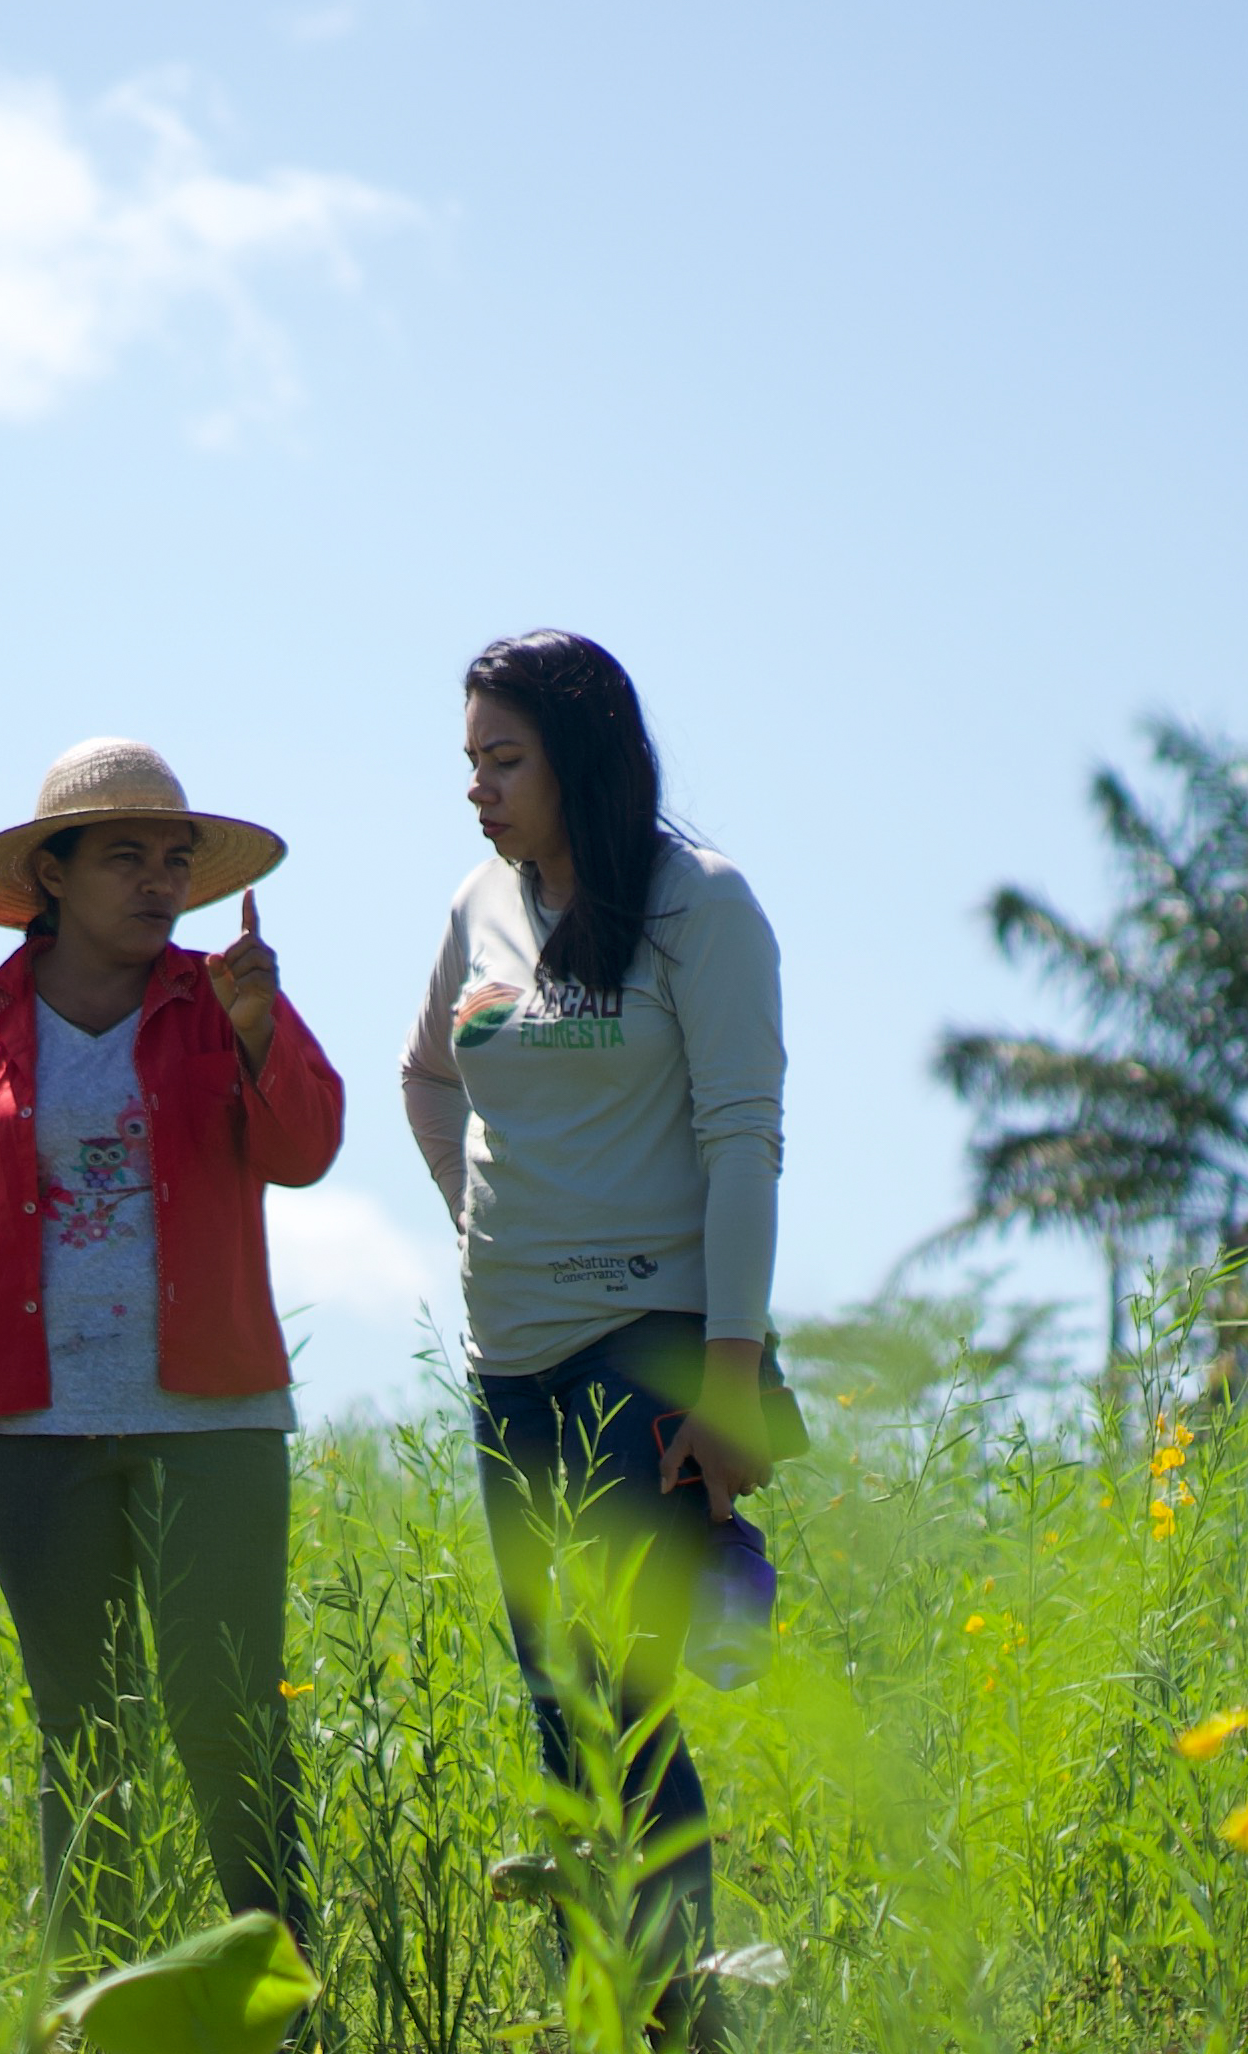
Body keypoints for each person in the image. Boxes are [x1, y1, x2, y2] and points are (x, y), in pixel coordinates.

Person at [0, 738, 343, 1964]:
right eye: (126, 855)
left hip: (213, 1422)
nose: (160, 880)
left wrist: (258, 1026)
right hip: (27, 1431)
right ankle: (88, 2002)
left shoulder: (216, 997)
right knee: (84, 1728)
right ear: (52, 875)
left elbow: (308, 1148)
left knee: (230, 1719)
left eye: (177, 858)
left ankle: (281, 2001)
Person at [398, 631, 784, 2045]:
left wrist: (731, 1380)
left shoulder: (701, 908)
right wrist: (469, 1217)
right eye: (471, 765)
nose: (480, 792)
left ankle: (673, 2015)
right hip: (512, 1360)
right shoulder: (477, 906)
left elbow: (746, 1141)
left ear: (584, 757)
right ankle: (605, 2008)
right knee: (557, 1701)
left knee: (622, 1696)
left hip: (652, 1348)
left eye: (505, 761)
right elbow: (427, 1071)